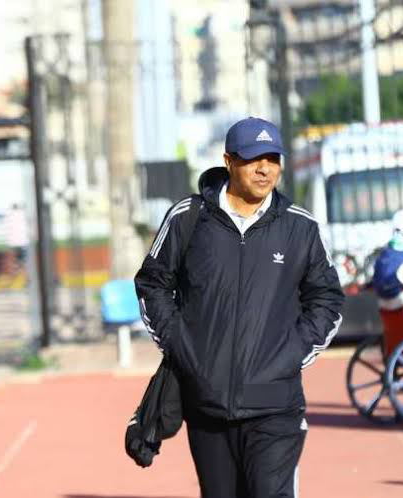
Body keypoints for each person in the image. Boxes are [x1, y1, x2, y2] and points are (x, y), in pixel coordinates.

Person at [135, 117, 344, 498]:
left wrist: (291, 355)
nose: (265, 168)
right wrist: (183, 348)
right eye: (253, 158)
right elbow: (153, 284)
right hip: (207, 403)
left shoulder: (299, 227)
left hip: (275, 404)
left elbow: (327, 299)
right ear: (229, 161)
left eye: (273, 158)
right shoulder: (188, 217)